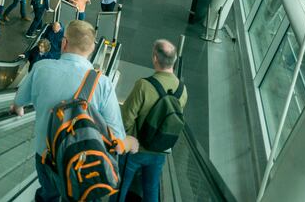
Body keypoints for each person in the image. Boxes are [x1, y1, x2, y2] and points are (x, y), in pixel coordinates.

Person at [11, 20, 136, 201]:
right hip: (82, 161)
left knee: (48, 194)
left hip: (46, 155)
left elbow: (19, 102)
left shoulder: (41, 68)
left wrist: (17, 109)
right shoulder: (102, 83)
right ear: (92, 49)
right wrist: (129, 143)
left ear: (64, 42)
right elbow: (116, 135)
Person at [118, 40, 188, 202]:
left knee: (121, 186)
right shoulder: (182, 90)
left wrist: (126, 140)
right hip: (160, 150)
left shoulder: (144, 85)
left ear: (155, 58)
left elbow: (126, 118)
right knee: (151, 188)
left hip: (135, 149)